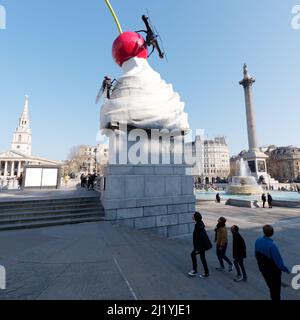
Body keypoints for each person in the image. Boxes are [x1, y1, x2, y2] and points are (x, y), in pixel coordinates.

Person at [255, 225, 290, 300]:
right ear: (272, 233)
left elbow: (256, 254)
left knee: (271, 287)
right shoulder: (272, 246)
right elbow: (278, 262)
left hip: (263, 270)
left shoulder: (257, 241)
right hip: (273, 273)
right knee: (276, 292)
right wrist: (286, 269)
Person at [188, 212, 212, 278]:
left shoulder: (199, 226)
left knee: (195, 255)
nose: (192, 217)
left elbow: (201, 238)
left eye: (193, 216)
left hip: (201, 246)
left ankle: (196, 271)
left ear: (195, 218)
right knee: (201, 258)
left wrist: (196, 249)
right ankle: (204, 272)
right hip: (201, 246)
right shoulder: (199, 224)